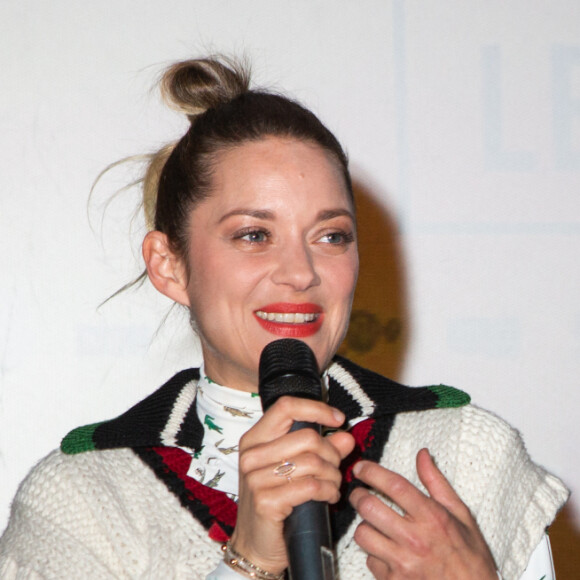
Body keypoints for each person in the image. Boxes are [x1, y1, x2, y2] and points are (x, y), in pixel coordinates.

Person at [0, 57, 569, 580]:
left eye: (330, 235)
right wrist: (247, 562)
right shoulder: (82, 500)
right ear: (170, 265)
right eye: (254, 235)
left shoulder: (466, 454)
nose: (300, 272)